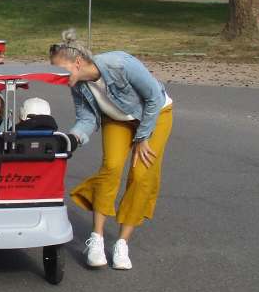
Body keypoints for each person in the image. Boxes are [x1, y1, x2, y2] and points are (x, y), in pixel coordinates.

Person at [49, 34, 174, 271]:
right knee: (111, 167)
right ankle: (96, 239)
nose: (58, 77)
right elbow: (87, 118)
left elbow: (153, 98)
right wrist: (72, 138)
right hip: (117, 119)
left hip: (155, 115)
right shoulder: (78, 86)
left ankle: (122, 243)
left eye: (60, 70)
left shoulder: (120, 64)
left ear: (77, 63)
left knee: (141, 176)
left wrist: (142, 137)